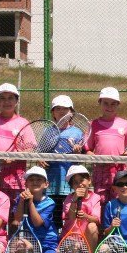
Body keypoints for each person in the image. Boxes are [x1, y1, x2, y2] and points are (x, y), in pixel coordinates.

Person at [85, 87, 127, 203]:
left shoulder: (125, 124)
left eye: (113, 104)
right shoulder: (93, 124)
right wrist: (95, 158)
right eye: (105, 103)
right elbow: (87, 149)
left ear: (118, 105)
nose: (109, 107)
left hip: (120, 172)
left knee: (119, 202)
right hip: (100, 172)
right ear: (100, 103)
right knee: (100, 202)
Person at [45, 94, 86, 234]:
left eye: (65, 109)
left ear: (71, 112)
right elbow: (40, 153)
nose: (61, 112)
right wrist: (40, 159)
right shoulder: (48, 131)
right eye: (58, 109)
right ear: (53, 112)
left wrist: (78, 153)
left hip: (69, 187)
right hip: (51, 186)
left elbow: (81, 160)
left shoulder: (78, 133)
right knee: (53, 220)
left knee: (70, 218)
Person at [11, 166, 60, 253]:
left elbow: (37, 223)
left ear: (46, 184)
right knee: (19, 247)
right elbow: (17, 219)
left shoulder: (49, 203)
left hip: (49, 242)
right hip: (32, 242)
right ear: (26, 184)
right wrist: (22, 202)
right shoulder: (21, 198)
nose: (35, 182)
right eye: (31, 180)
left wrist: (30, 202)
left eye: (39, 180)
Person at [61, 164, 102, 253]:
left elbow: (97, 220)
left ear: (89, 180)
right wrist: (75, 200)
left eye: (82, 180)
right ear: (72, 186)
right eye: (75, 182)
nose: (80, 184)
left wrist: (86, 216)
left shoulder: (96, 198)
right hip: (71, 237)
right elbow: (71, 217)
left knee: (92, 227)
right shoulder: (68, 199)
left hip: (88, 239)